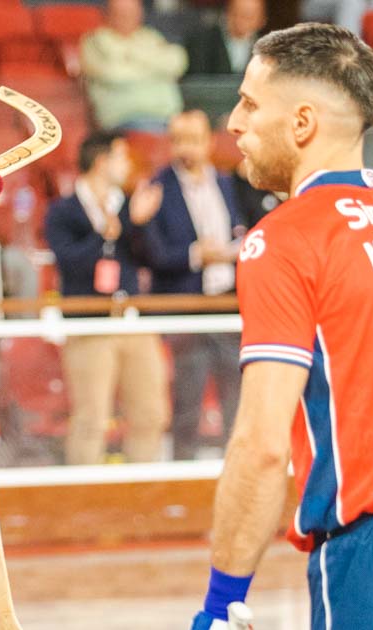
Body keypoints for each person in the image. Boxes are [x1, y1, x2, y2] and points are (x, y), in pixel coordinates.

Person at [192, 23, 373, 630]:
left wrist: (222, 602)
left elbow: (263, 445)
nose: (234, 124)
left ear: (301, 123)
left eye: (250, 103)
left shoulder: (285, 239)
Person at [45, 131, 170, 465]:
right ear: (101, 162)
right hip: (89, 326)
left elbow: (152, 257)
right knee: (91, 419)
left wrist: (140, 224)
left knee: (151, 413)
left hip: (132, 320)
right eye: (120, 157)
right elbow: (69, 261)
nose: (127, 164)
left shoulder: (130, 206)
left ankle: (143, 493)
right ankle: (82, 501)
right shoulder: (63, 211)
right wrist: (110, 231)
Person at [131, 110, 244, 460]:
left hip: (228, 305)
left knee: (236, 397)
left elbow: (243, 228)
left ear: (209, 142)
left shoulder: (227, 183)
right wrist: (197, 255)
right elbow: (153, 253)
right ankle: (182, 469)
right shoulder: (159, 186)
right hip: (185, 308)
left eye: (193, 139)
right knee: (187, 398)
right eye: (179, 140)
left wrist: (232, 250)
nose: (186, 148)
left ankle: (236, 467)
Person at [81, 0, 187, 131]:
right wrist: (157, 70)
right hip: (127, 121)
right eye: (121, 13)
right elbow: (115, 76)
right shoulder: (96, 41)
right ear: (107, 14)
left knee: (198, 127)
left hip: (170, 119)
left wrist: (130, 56)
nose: (128, 16)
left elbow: (177, 63)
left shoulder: (149, 37)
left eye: (132, 12)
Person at [185, 0, 267, 77]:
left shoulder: (266, 51)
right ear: (228, 12)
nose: (242, 21)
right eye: (238, 13)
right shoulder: (202, 43)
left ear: (262, 19)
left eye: (249, 16)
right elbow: (197, 82)